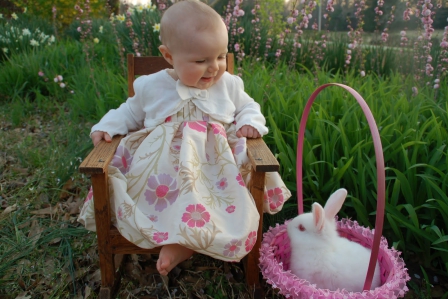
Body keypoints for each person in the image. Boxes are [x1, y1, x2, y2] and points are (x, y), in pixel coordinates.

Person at [78, 0, 291, 276]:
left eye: (220, 56)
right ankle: (179, 240)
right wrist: (106, 126)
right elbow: (128, 112)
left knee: (209, 194)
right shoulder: (152, 86)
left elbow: (248, 107)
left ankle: (185, 243)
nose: (214, 67)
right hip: (162, 170)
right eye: (201, 60)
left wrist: (249, 122)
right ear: (169, 56)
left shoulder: (229, 85)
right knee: (152, 190)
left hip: (214, 166)